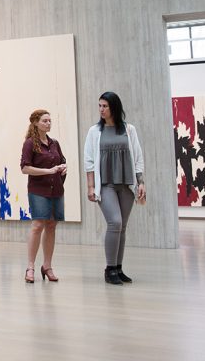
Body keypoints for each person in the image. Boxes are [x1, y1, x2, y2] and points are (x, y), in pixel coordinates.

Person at [83, 91, 145, 286]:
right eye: (100, 106)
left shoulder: (129, 130)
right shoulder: (94, 131)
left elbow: (137, 157)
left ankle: (118, 268)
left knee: (122, 226)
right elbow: (89, 161)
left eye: (105, 106)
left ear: (114, 108)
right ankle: (109, 269)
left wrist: (141, 182)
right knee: (115, 222)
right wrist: (91, 186)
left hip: (126, 184)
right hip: (105, 185)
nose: (101, 109)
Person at [20, 110, 67, 283]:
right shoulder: (29, 144)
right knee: (37, 225)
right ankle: (30, 267)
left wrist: (63, 167)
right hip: (38, 190)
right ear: (35, 123)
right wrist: (48, 171)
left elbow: (62, 161)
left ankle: (47, 266)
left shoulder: (55, 143)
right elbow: (25, 168)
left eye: (49, 121)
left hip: (56, 189)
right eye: (44, 121)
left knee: (52, 225)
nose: (48, 123)